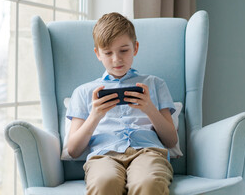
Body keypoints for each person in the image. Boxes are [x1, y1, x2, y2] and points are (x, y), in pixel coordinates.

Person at [66, 12, 177, 195]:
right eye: (108, 53)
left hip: (148, 152)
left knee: (148, 183)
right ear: (98, 54)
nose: (116, 59)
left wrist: (149, 108)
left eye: (123, 50)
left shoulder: (155, 84)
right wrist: (95, 116)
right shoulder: (83, 92)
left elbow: (171, 140)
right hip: (104, 156)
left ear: (135, 48)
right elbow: (73, 150)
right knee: (104, 182)